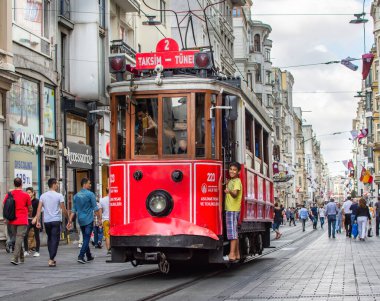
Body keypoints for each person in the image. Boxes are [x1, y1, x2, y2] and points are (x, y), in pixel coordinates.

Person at [33, 178, 69, 267]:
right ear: (53, 184)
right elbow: (63, 209)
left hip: (47, 221)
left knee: (50, 238)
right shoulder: (59, 196)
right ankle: (51, 259)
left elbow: (38, 209)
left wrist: (38, 220)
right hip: (56, 220)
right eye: (56, 184)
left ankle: (51, 258)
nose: (57, 185)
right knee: (55, 240)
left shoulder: (43, 196)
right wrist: (68, 218)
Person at [67, 178, 102, 264]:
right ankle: (81, 256)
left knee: (86, 236)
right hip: (88, 220)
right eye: (89, 183)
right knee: (86, 238)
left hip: (80, 220)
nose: (90, 185)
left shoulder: (76, 196)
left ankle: (89, 256)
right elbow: (95, 208)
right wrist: (100, 219)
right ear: (85, 184)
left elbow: (73, 210)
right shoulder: (90, 194)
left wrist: (70, 221)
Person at [3, 177, 32, 265]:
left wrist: (6, 217)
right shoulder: (26, 195)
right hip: (22, 219)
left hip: (12, 219)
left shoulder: (9, 194)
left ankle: (22, 258)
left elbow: (4, 205)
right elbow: (30, 208)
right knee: (19, 238)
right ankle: (15, 258)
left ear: (14, 184)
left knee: (17, 238)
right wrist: (28, 212)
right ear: (21, 184)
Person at [223, 162, 243, 262]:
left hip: (232, 209)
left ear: (238, 171)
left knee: (232, 233)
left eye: (234, 170)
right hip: (231, 209)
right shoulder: (232, 181)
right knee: (234, 232)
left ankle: (232, 255)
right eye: (230, 169)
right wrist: (227, 185)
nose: (232, 171)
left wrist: (228, 191)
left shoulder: (237, 181)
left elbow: (235, 194)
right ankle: (237, 254)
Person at [23, 187, 40, 257]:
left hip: (36, 219)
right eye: (27, 193)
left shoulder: (36, 201)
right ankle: (26, 250)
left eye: (29, 192)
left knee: (36, 235)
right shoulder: (26, 201)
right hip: (28, 219)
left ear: (33, 193)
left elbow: (39, 211)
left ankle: (37, 251)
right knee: (25, 234)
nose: (28, 194)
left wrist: (35, 218)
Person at [99, 188, 111, 255]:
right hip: (113, 220)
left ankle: (108, 250)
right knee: (113, 235)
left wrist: (100, 220)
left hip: (105, 220)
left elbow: (100, 211)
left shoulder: (102, 200)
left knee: (107, 236)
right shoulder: (114, 199)